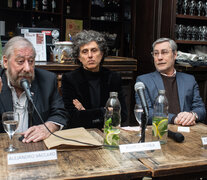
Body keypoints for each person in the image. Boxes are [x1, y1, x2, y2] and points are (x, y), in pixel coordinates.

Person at [0, 36, 67, 143]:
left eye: (31, 61)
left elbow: (60, 113)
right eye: (20, 61)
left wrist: (49, 126)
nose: (27, 68)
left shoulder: (47, 80)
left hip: (36, 147)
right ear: (5, 62)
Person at [61, 30, 127, 130]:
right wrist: (104, 111)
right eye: (84, 51)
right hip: (81, 134)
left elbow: (123, 115)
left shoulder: (113, 78)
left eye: (94, 50)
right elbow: (73, 118)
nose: (90, 56)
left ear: (102, 53)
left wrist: (84, 112)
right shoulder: (69, 79)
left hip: (107, 132)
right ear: (78, 57)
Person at [135, 38, 206, 126]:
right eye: (156, 53)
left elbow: (200, 108)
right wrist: (173, 118)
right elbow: (146, 113)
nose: (159, 57)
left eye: (164, 52)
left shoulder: (189, 80)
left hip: (187, 130)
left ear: (175, 54)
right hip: (159, 132)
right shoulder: (143, 81)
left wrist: (192, 115)